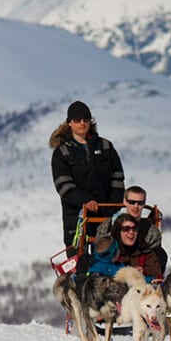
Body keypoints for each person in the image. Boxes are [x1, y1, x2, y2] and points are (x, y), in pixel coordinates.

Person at [49, 101, 125, 250]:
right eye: (77, 120)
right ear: (70, 123)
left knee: (107, 266)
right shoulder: (62, 152)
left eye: (86, 119)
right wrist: (86, 201)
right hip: (76, 220)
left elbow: (118, 178)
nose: (82, 123)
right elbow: (64, 186)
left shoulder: (105, 146)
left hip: (105, 218)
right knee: (79, 269)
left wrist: (112, 205)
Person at [95, 185, 168, 272]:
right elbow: (100, 251)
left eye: (140, 203)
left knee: (161, 254)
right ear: (125, 201)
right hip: (112, 270)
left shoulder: (151, 231)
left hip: (141, 273)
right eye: (132, 202)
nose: (136, 206)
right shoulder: (108, 226)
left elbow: (154, 258)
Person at [85, 213, 163, 282]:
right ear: (118, 231)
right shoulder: (108, 253)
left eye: (134, 229)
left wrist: (141, 275)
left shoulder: (146, 252)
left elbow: (157, 278)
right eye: (126, 229)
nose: (131, 232)